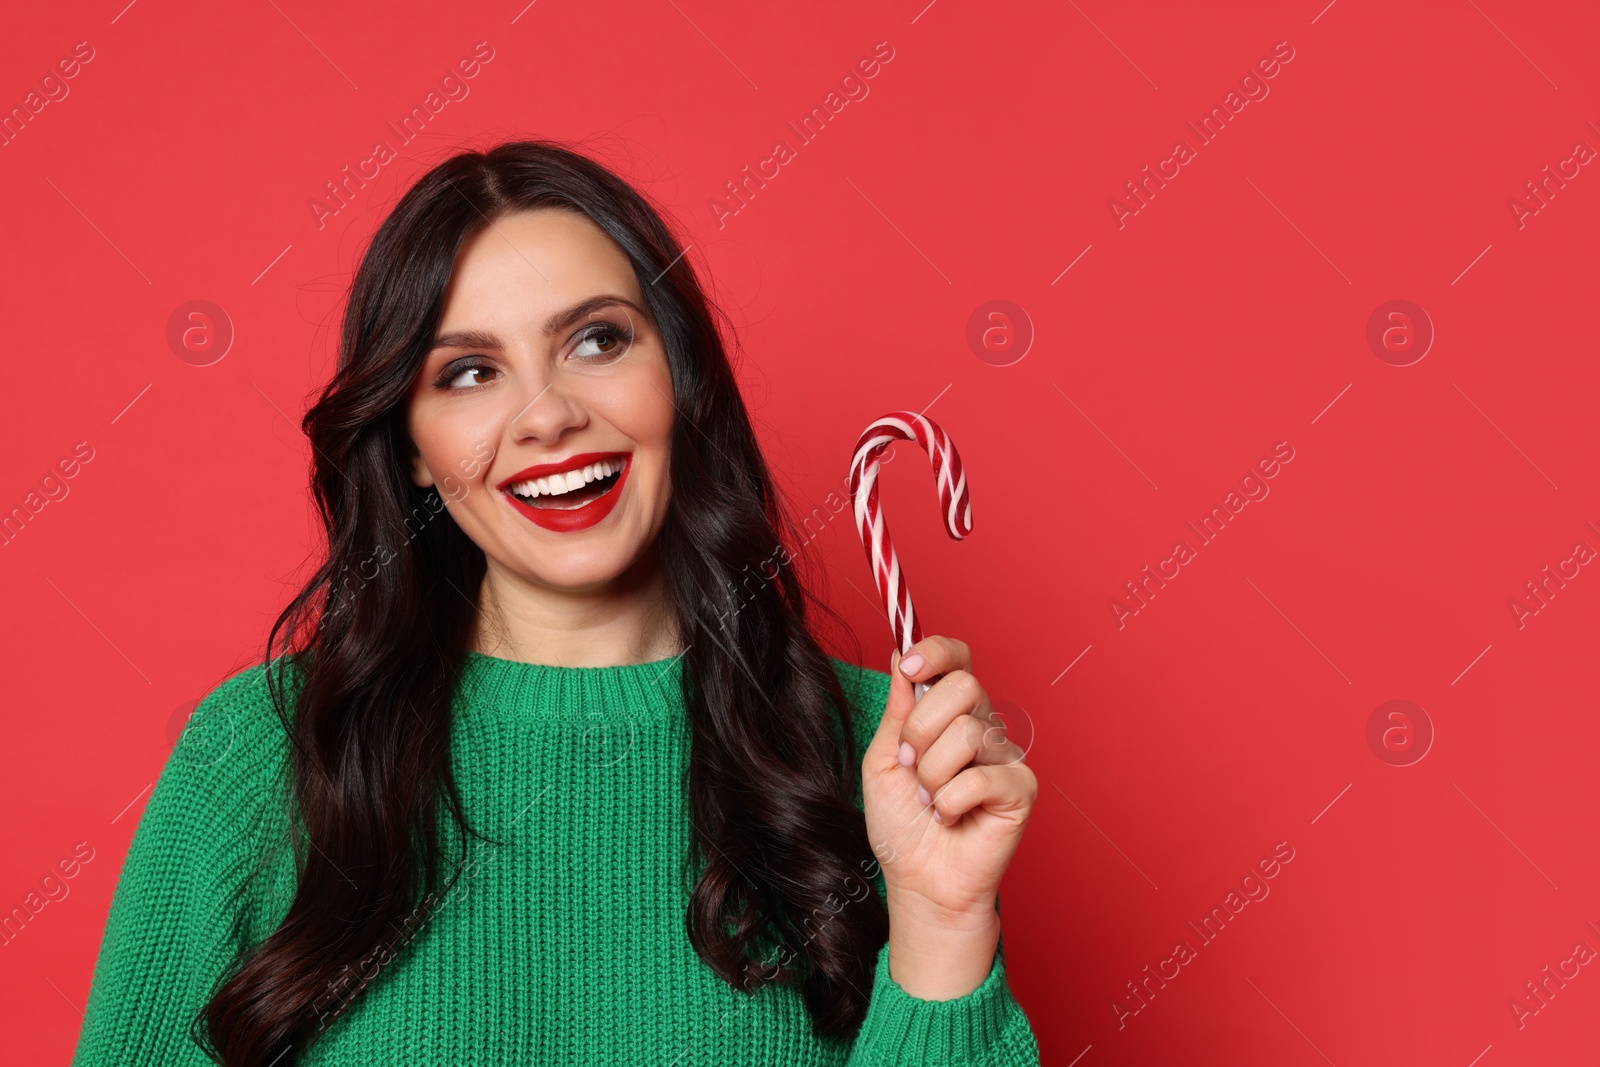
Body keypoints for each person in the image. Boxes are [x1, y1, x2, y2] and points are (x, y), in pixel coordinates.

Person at [70, 140, 1041, 1066]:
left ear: (679, 372)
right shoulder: (260, 758)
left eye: (595, 339)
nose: (547, 414)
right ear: (411, 444)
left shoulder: (891, 757)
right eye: (469, 371)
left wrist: (944, 921)